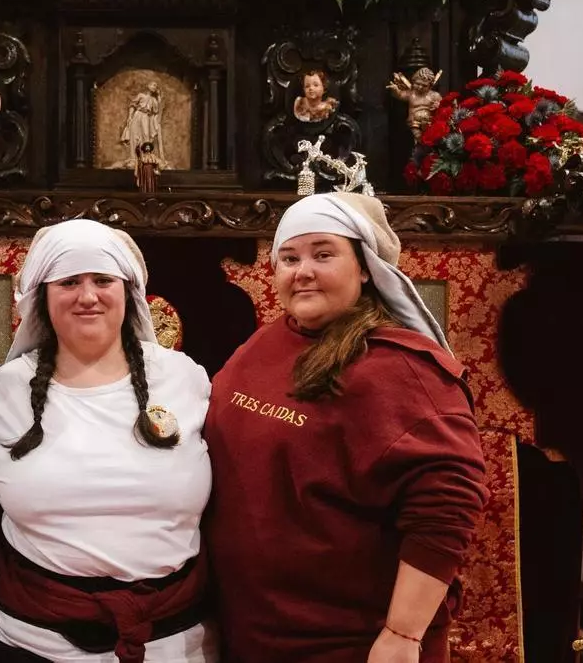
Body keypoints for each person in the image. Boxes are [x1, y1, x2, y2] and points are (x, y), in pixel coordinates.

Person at [203, 193, 488, 663]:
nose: (303, 271)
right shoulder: (266, 342)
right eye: (289, 258)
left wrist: (402, 634)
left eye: (323, 254)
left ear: (365, 268)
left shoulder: (402, 369)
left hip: (349, 644)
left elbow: (447, 506)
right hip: (256, 634)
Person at [0, 219, 218, 663]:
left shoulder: (185, 377)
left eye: (103, 280)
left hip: (176, 644)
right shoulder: (4, 389)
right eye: (69, 282)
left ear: (128, 293)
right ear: (42, 297)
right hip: (33, 645)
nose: (87, 296)